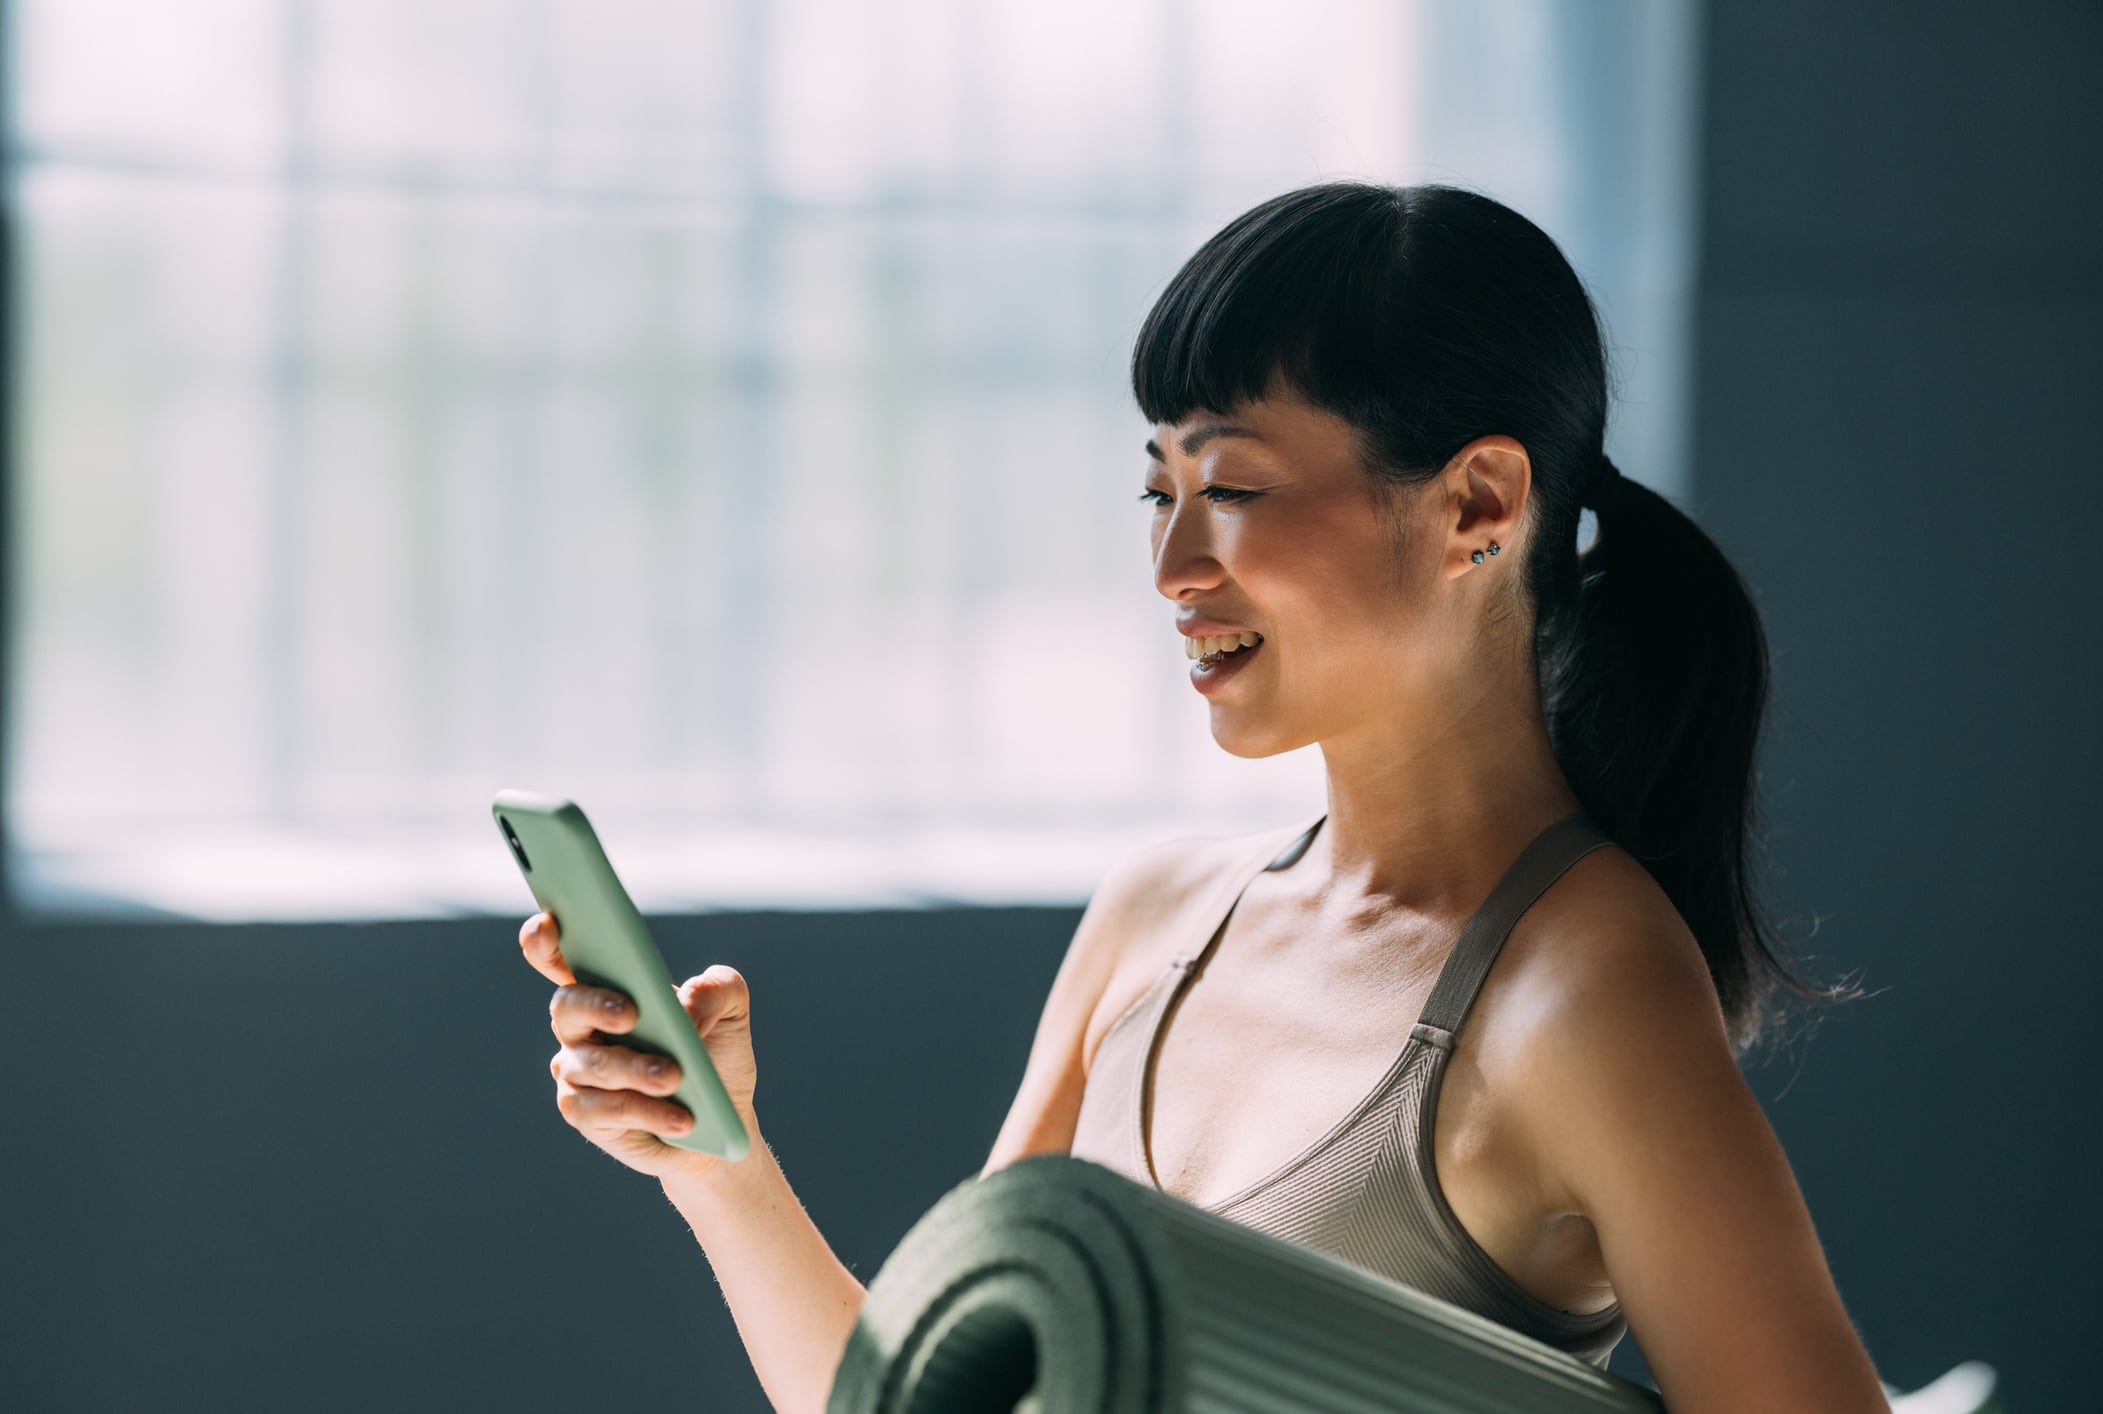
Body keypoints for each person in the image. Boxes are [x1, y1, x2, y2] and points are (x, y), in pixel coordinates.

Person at [517, 181, 1890, 1414]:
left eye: (1231, 486)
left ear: (1478, 499)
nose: (1174, 563)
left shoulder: (1583, 984)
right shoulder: (1157, 913)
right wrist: (715, 1152)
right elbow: (923, 1404)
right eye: (1156, 490)